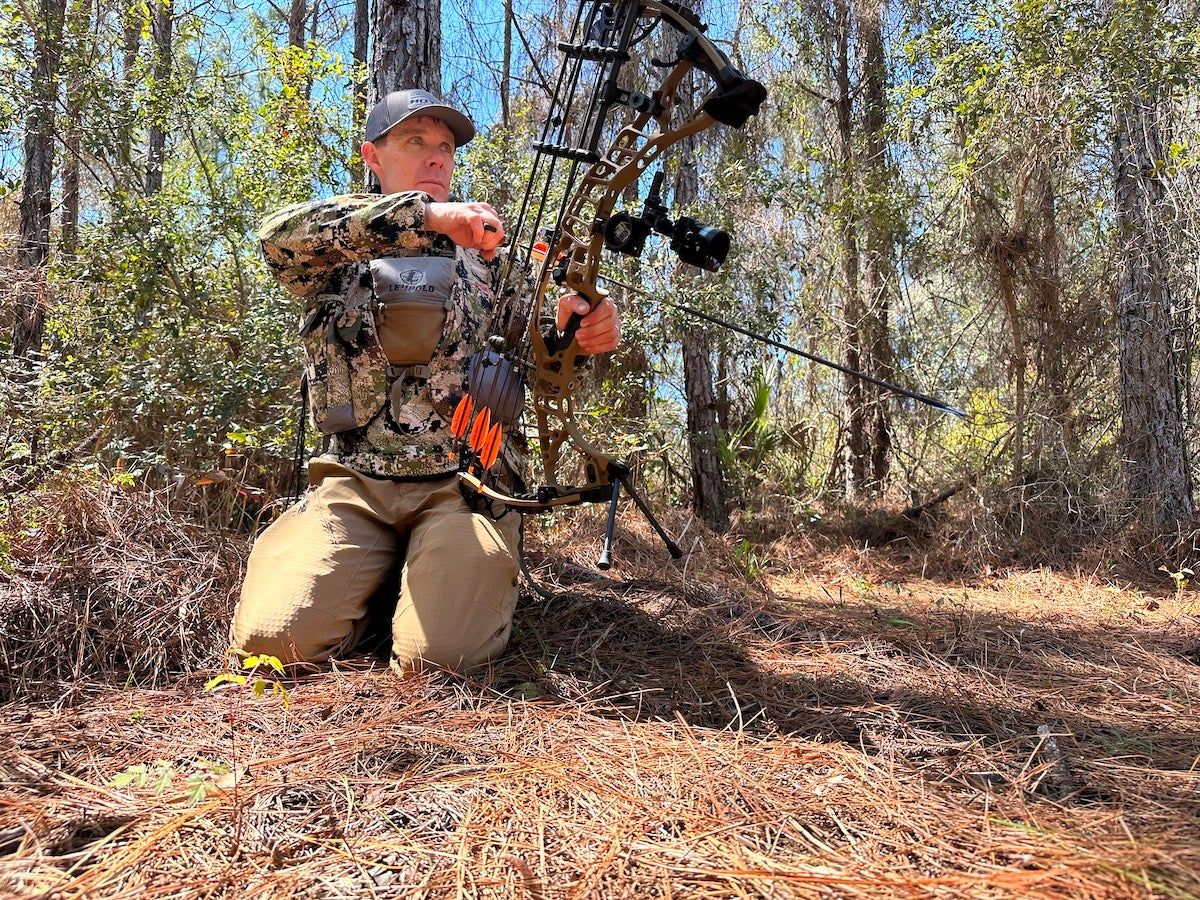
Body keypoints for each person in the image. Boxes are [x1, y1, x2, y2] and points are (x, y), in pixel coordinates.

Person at [230, 88, 621, 674]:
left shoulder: (497, 259)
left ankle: (423, 585)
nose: (437, 156)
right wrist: (427, 218)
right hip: (353, 486)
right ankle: (377, 583)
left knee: (439, 662)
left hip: (463, 491)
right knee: (271, 645)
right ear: (374, 156)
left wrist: (582, 329)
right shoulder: (337, 247)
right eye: (415, 142)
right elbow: (277, 237)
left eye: (445, 146)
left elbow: (546, 363)